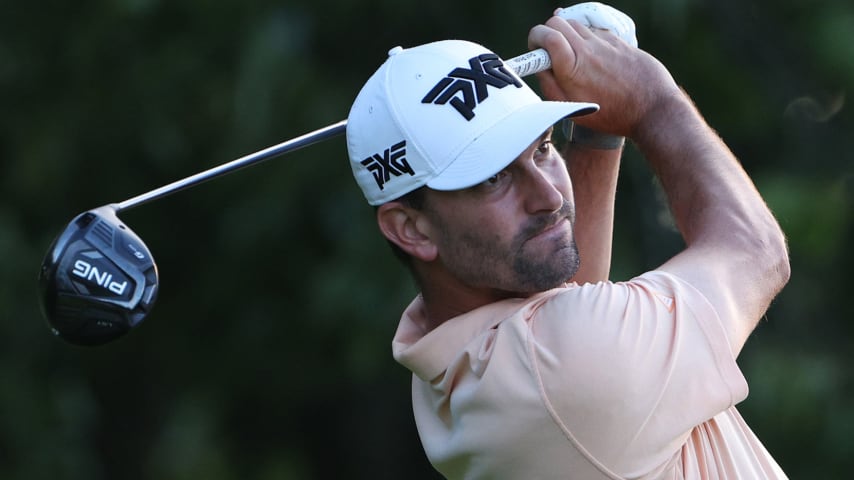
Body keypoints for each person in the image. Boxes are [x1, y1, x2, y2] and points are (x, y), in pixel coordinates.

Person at [345, 9, 791, 480]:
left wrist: (601, 128)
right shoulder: (564, 373)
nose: (549, 195)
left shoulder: (454, 363)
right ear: (411, 228)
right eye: (494, 178)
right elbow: (757, 252)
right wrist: (650, 98)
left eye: (542, 148)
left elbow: (566, 300)